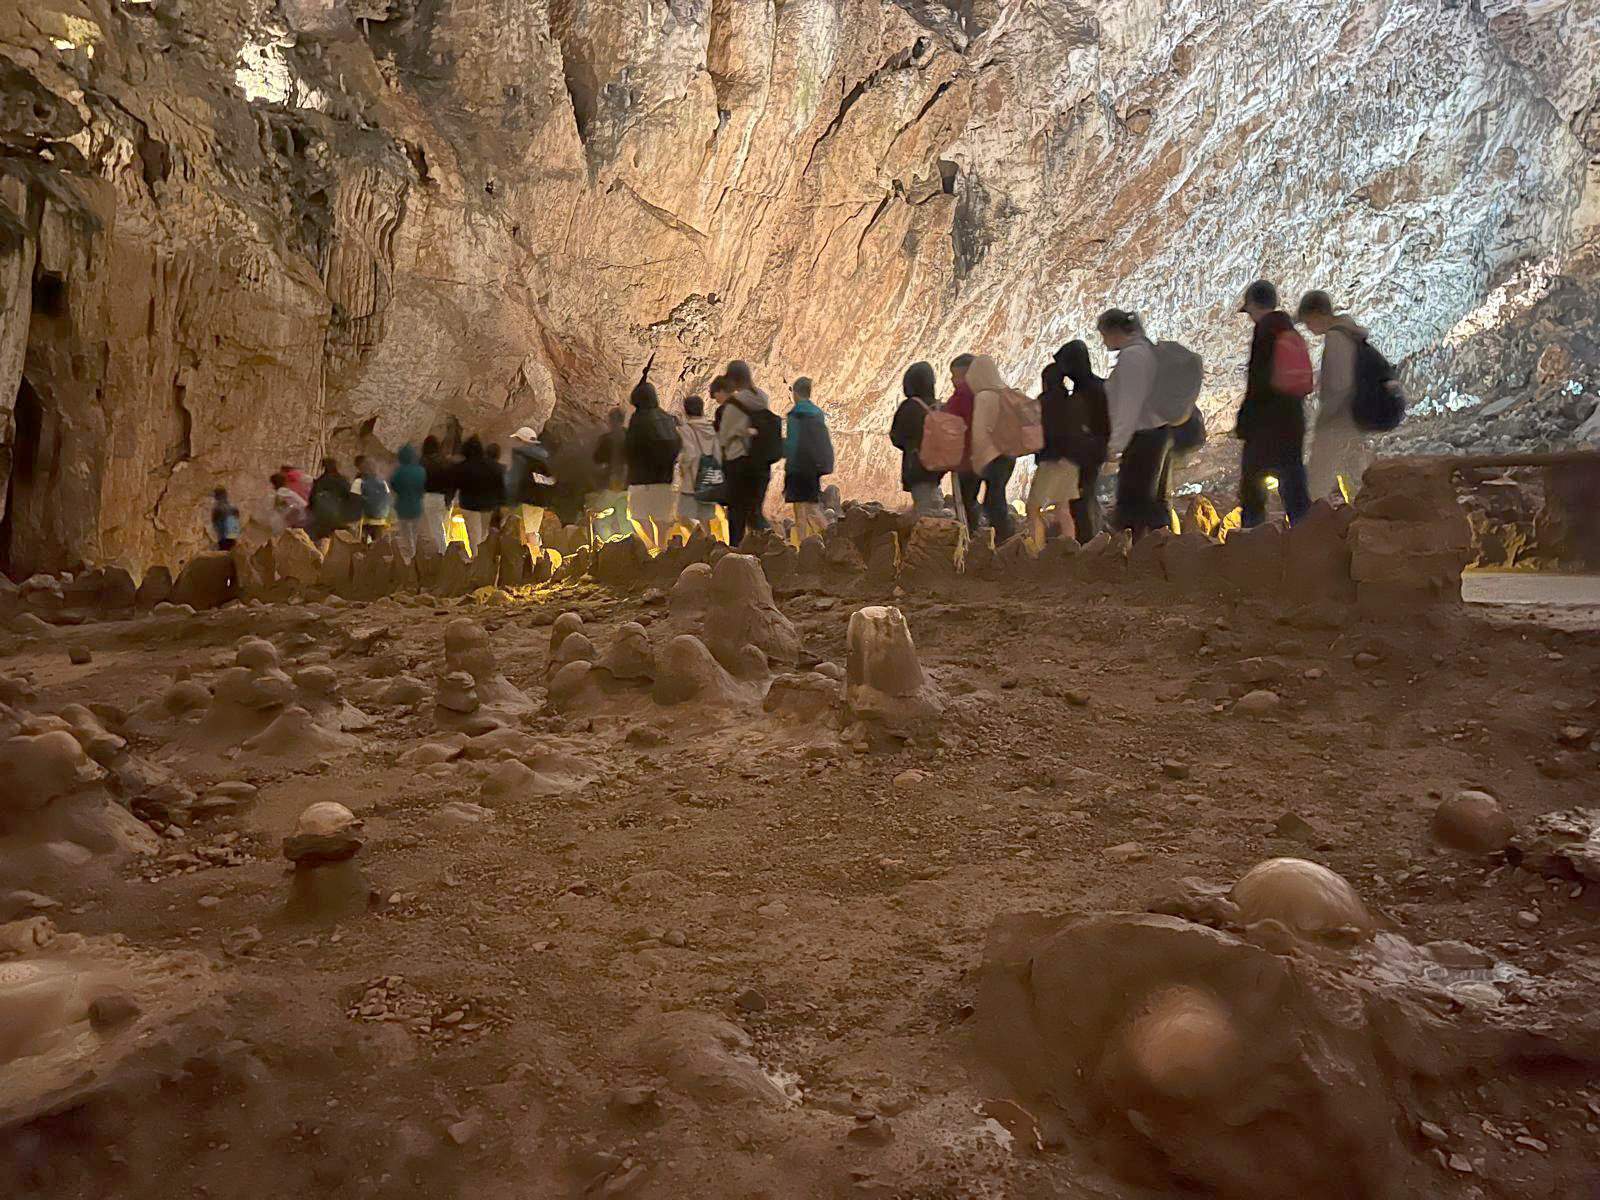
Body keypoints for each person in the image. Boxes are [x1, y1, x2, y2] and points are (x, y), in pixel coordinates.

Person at [1236, 279, 1312, 527]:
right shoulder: (1289, 330)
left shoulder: (1265, 330)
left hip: (1268, 421)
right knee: (1292, 478)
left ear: (1254, 306)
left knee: (1252, 482)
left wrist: (1245, 422)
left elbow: (1258, 380)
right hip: (1293, 417)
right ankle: (1308, 534)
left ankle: (1252, 539)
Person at [1098, 309, 1170, 539]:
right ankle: (1161, 551)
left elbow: (1128, 405)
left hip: (1144, 437)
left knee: (1134, 501)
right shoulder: (1143, 351)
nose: (1103, 341)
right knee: (1150, 500)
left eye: (1104, 335)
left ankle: (1139, 555)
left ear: (1114, 331)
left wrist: (1115, 444)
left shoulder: (1133, 357)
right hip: (1154, 435)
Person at [1297, 289, 1369, 503]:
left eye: (1308, 321)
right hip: (1354, 420)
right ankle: (1362, 518)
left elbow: (1339, 384)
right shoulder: (1349, 333)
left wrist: (1323, 420)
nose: (1308, 327)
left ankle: (1308, 527)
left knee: (1317, 480)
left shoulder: (1336, 338)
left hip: (1338, 420)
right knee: (1355, 477)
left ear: (1317, 315)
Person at [716, 360, 774, 547]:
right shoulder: (763, 397)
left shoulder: (734, 405)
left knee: (737, 515)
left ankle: (735, 558)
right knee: (755, 512)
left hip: (739, 466)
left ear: (734, 381)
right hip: (761, 464)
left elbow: (724, 438)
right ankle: (771, 548)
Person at [1056, 340, 1109, 541]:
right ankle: (1092, 540)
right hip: (1092, 450)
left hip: (1086, 453)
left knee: (1081, 498)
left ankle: (1088, 543)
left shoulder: (1086, 391)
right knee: (1085, 496)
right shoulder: (1097, 386)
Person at [964, 355, 1018, 543]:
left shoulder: (984, 397)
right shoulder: (1007, 393)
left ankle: (1003, 541)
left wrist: (977, 460)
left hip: (992, 456)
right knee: (996, 498)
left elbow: (979, 432)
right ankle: (1005, 539)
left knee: (990, 502)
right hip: (1009, 455)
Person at [624, 380, 682, 552]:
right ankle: (662, 549)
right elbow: (678, 443)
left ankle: (652, 547)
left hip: (642, 479)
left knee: (637, 516)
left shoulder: (639, 418)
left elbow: (630, 446)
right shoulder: (666, 418)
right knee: (661, 518)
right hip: (664, 478)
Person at [1026, 363, 1079, 547]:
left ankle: (1037, 552)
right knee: (1063, 508)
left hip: (1051, 460)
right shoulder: (1072, 402)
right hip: (1072, 461)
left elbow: (1032, 430)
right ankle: (1070, 550)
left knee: (1033, 508)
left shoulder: (1042, 402)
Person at [890, 361, 945, 515]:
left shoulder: (909, 407)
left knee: (924, 508)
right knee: (931, 494)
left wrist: (911, 444)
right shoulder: (938, 406)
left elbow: (896, 437)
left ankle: (933, 533)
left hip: (917, 464)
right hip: (938, 465)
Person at [783, 377, 833, 542]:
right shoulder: (817, 413)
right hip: (813, 467)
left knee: (801, 510)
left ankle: (805, 546)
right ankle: (830, 537)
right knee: (812, 505)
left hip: (798, 467)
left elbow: (793, 443)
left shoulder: (795, 415)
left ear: (796, 393)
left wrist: (788, 466)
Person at [675, 395, 720, 531]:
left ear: (686, 410)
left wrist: (683, 468)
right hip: (709, 480)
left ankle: (698, 541)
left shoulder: (686, 430)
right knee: (704, 519)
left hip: (692, 481)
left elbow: (689, 454)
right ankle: (709, 544)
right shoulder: (711, 429)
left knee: (682, 517)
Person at [506, 425, 555, 550]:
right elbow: (552, 478)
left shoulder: (523, 455)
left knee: (529, 531)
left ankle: (533, 557)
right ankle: (537, 555)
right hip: (541, 499)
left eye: (518, 439)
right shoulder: (544, 454)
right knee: (533, 530)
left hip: (529, 498)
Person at [454, 436, 504, 554]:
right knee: (483, 534)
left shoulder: (472, 464)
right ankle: (481, 560)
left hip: (469, 504)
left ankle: (476, 559)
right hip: (487, 506)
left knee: (474, 535)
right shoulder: (500, 469)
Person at [945, 353, 979, 528]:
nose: (952, 380)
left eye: (955, 376)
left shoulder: (961, 398)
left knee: (965, 500)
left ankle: (970, 535)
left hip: (966, 458)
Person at [590, 408, 630, 540]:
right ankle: (629, 546)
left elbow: (597, 459)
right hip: (629, 485)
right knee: (625, 518)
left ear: (610, 421)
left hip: (610, 485)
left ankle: (606, 547)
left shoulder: (606, 439)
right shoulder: (631, 436)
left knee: (600, 516)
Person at [389, 444, 427, 559]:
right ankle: (416, 551)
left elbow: (394, 486)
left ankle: (409, 554)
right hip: (417, 505)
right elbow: (424, 487)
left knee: (405, 532)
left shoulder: (398, 472)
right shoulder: (421, 471)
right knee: (415, 531)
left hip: (402, 506)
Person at [420, 435, 456, 553]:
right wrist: (449, 499)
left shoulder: (422, 462)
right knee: (443, 528)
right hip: (445, 498)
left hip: (429, 497)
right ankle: (445, 552)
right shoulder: (446, 462)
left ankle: (442, 553)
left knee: (435, 529)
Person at [307, 457, 353, 541]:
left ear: (324, 467)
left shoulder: (321, 481)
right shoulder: (343, 480)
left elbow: (312, 500)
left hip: (323, 520)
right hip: (340, 518)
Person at [354, 455, 393, 542]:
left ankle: (366, 539)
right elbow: (388, 497)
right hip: (383, 515)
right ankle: (373, 539)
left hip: (369, 517)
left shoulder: (359, 479)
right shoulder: (382, 480)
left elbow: (354, 498)